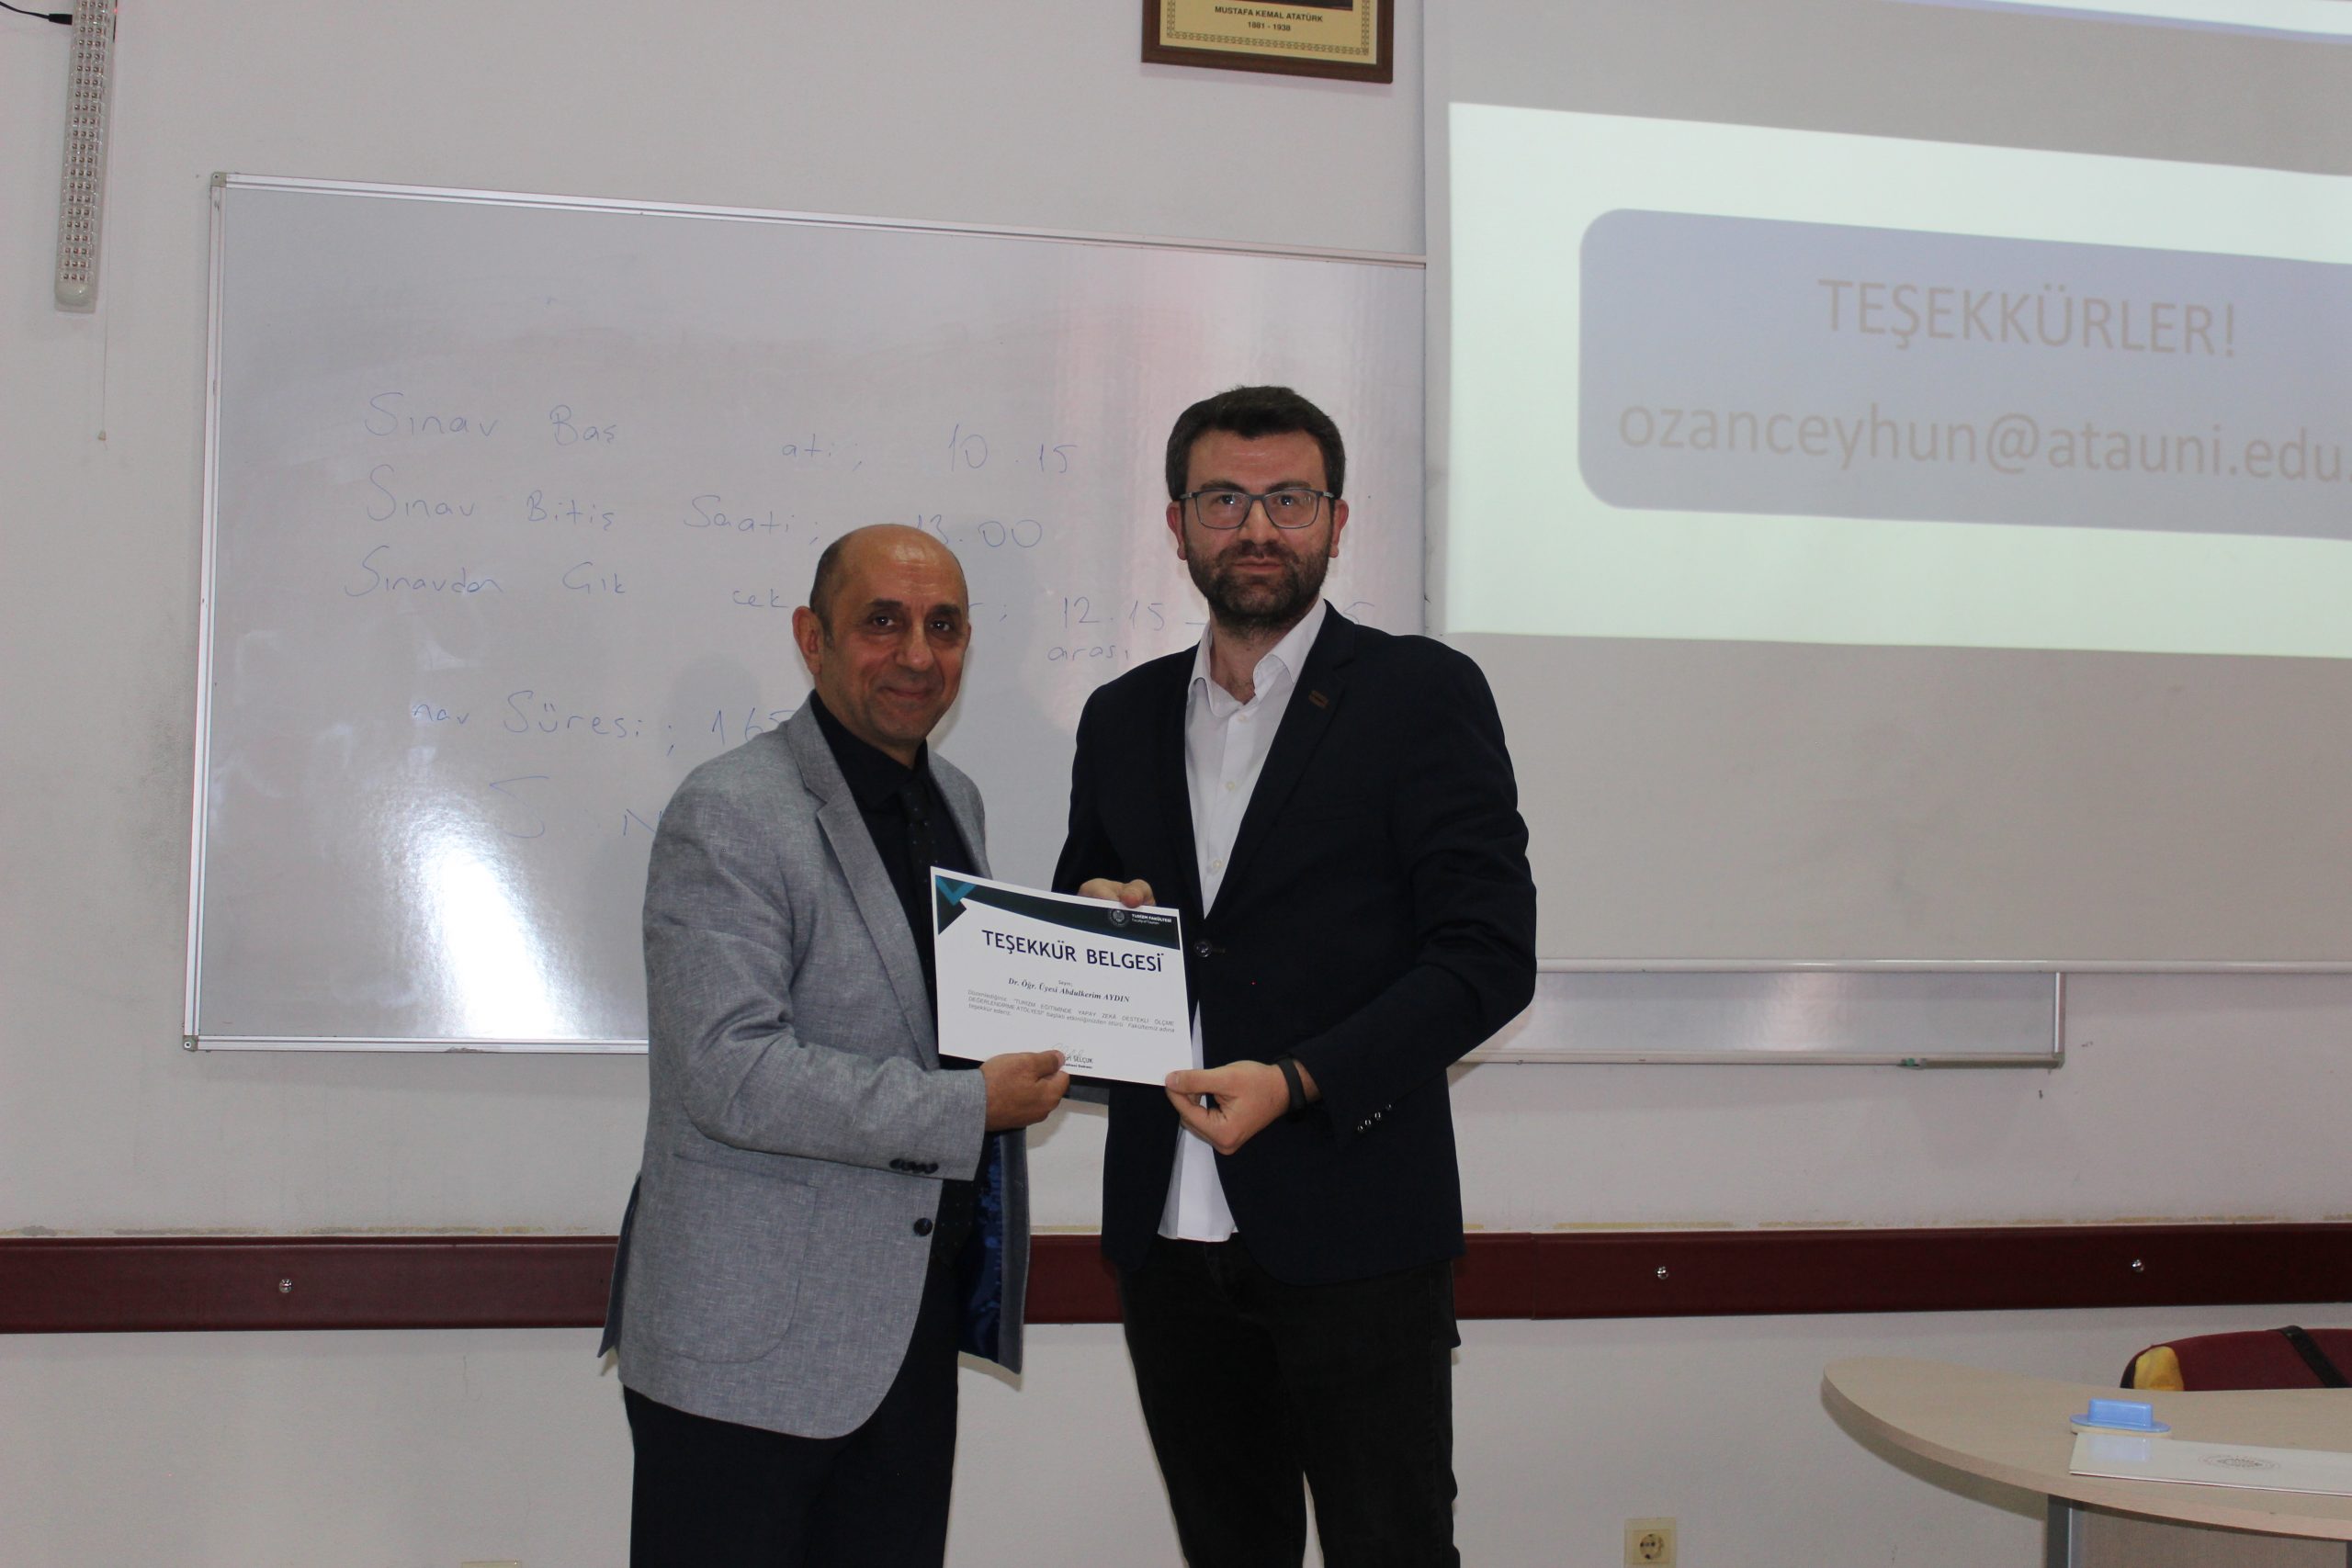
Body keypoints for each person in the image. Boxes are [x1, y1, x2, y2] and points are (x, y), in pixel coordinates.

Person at [1054, 386, 1537, 1567]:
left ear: (1337, 520)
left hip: (1358, 1229)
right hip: (1167, 1237)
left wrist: (1299, 1081)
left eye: (1290, 501)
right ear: (1178, 523)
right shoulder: (1119, 718)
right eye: (1225, 500)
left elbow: (1486, 957)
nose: (1258, 528)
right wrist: (1093, 917)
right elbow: (1082, 915)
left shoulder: (1420, 695)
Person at [601, 523, 1070, 1568]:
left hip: (903, 1339)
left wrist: (1097, 952)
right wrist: (968, 1109)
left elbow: (949, 1016)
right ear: (812, 639)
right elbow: (730, 1071)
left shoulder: (955, 801)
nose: (917, 654)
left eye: (944, 626)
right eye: (882, 622)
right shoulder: (731, 810)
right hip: (744, 1356)